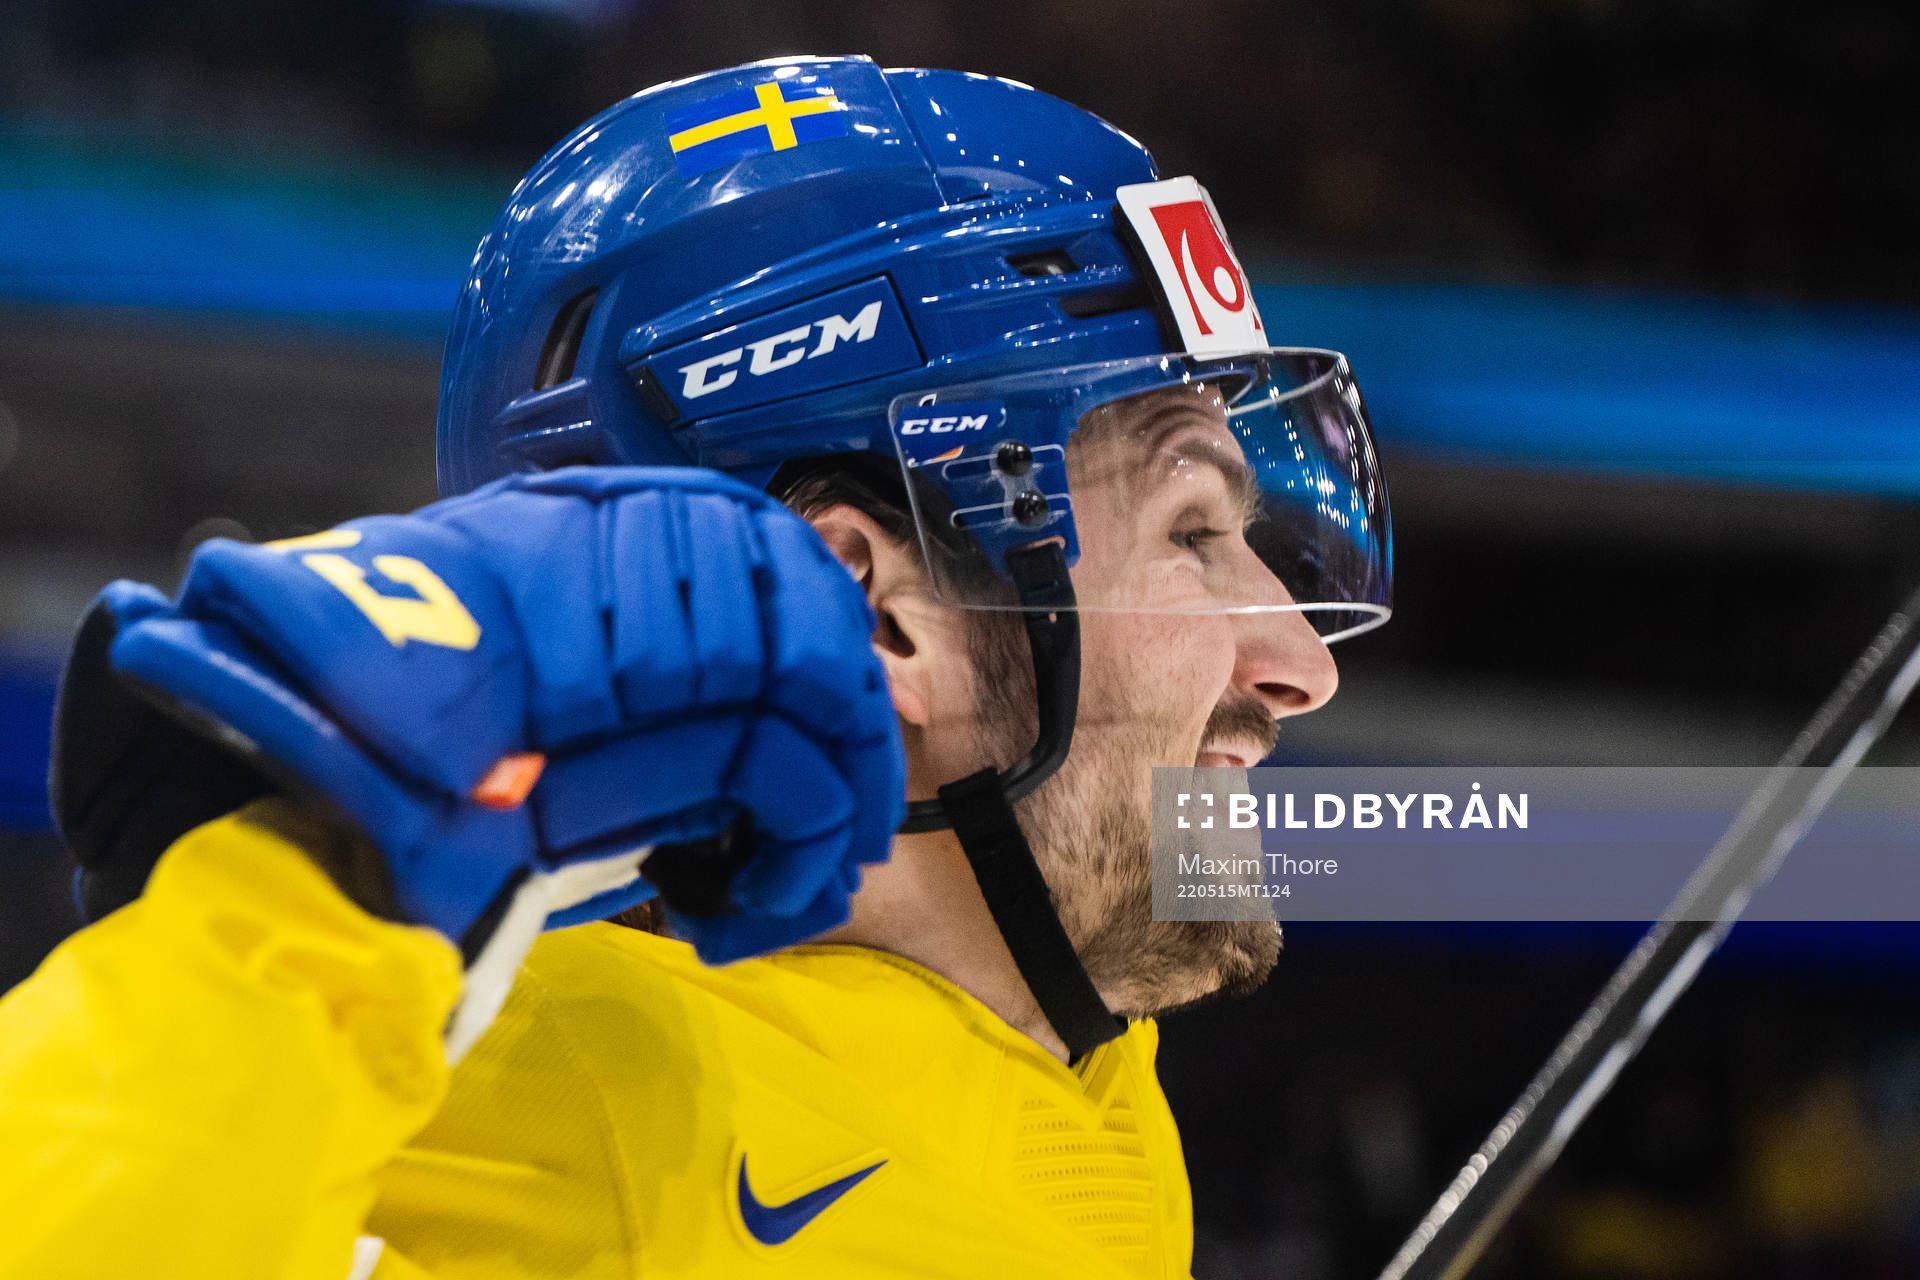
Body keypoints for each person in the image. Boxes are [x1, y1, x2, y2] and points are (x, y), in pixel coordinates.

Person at [0, 55, 1391, 1278]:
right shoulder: (569, 1114)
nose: (1297, 662)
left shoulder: (1061, 1051)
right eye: (1191, 532)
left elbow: (1478, 846)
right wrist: (318, 880)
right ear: (875, 609)